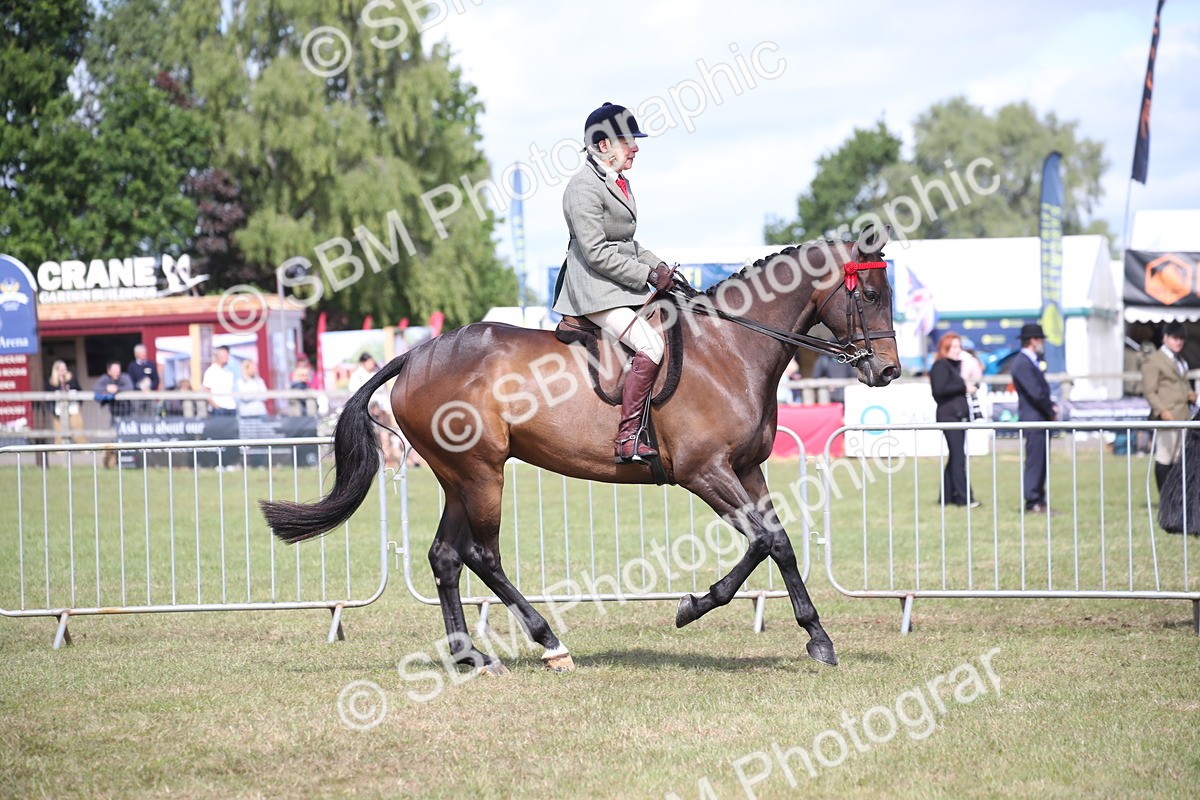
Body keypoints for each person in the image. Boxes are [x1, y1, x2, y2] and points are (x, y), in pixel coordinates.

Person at [552, 101, 677, 463]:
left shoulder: (617, 182)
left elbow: (628, 244)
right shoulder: (583, 187)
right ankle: (627, 437)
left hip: (616, 287)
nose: (635, 148)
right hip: (594, 291)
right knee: (651, 345)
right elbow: (595, 252)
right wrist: (645, 275)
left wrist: (659, 266)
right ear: (603, 144)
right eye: (627, 141)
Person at [1142, 321, 1197, 492]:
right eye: (1175, 338)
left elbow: (1181, 384)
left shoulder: (1180, 360)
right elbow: (1149, 391)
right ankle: (1164, 496)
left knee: (1178, 460)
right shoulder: (1154, 361)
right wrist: (1162, 411)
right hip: (1167, 417)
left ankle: (1175, 496)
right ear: (1165, 338)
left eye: (1181, 338)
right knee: (1164, 458)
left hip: (1183, 416)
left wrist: (1190, 394)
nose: (1178, 342)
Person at [1011, 323, 1057, 513]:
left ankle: (1039, 498)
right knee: (1035, 461)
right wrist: (1050, 408)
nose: (1043, 343)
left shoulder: (1031, 361)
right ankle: (1033, 500)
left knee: (1041, 460)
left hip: (1039, 417)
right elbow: (1036, 393)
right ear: (1033, 340)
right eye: (1041, 339)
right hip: (1033, 418)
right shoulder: (1022, 363)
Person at [929, 333, 979, 508]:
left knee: (955, 458)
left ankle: (946, 497)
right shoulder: (940, 366)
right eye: (955, 347)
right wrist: (964, 387)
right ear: (946, 348)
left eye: (960, 347)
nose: (959, 350)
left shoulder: (952, 366)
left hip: (958, 417)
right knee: (958, 459)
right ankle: (964, 498)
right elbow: (939, 390)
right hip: (950, 418)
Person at [92, 361, 134, 468]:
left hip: (128, 414)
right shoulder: (105, 379)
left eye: (118, 370)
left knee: (128, 437)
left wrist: (117, 389)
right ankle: (111, 461)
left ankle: (128, 460)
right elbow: (95, 388)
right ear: (109, 371)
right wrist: (107, 389)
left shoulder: (125, 377)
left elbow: (130, 387)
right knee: (113, 437)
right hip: (114, 415)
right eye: (114, 370)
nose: (117, 372)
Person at [45, 360, 83, 443]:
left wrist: (79, 404)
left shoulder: (72, 379)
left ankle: (83, 448)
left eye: (65, 369)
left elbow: (79, 391)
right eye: (61, 369)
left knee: (78, 431)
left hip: (73, 409)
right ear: (56, 370)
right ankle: (60, 449)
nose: (64, 371)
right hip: (57, 411)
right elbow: (48, 396)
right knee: (59, 433)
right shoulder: (51, 382)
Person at [202, 346, 237, 417]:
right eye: (225, 356)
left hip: (231, 408)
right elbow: (206, 390)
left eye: (228, 355)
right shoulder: (211, 371)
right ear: (218, 357)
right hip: (219, 410)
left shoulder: (228, 372)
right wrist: (216, 406)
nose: (227, 358)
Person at [126, 344, 159, 416]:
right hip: (137, 396)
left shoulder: (151, 364)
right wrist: (139, 387)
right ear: (136, 354)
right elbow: (130, 382)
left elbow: (156, 380)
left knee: (152, 413)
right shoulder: (132, 366)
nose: (143, 355)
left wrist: (150, 387)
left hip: (150, 394)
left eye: (144, 353)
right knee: (137, 414)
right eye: (141, 353)